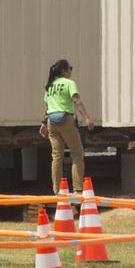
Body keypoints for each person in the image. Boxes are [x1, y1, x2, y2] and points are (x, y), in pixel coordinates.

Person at [39, 59, 94, 193]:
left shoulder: (50, 86)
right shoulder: (69, 83)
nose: (71, 71)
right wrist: (87, 117)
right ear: (64, 70)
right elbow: (76, 101)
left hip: (51, 121)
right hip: (65, 120)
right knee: (77, 153)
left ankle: (57, 190)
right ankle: (78, 189)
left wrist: (43, 123)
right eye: (70, 68)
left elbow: (47, 107)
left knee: (57, 156)